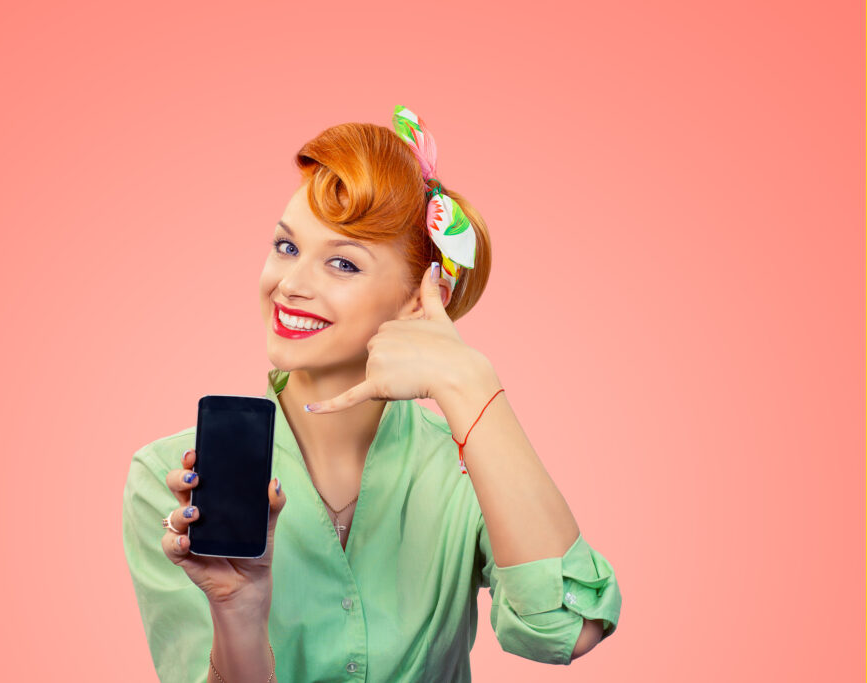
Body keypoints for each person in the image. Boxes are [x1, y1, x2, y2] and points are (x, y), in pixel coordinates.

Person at [122, 106, 623, 682]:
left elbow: (564, 630)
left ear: (418, 298)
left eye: (341, 263)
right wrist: (238, 609)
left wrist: (470, 380)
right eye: (287, 247)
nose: (291, 284)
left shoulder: (468, 469)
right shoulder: (169, 481)